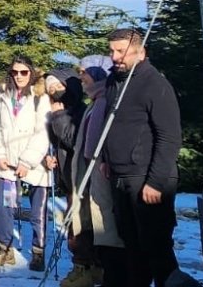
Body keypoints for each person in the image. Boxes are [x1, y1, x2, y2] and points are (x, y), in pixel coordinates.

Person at [101, 28, 181, 287]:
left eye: (121, 51)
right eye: (112, 51)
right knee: (132, 244)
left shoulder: (155, 84)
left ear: (141, 51)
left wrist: (156, 182)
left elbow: (169, 136)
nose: (115, 57)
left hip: (147, 177)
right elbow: (110, 122)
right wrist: (105, 158)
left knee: (155, 246)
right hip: (120, 175)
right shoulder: (115, 81)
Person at [0, 54, 52, 271]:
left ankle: (38, 252)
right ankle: (5, 249)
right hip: (8, 164)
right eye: (15, 72)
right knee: (6, 208)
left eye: (24, 72)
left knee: (37, 211)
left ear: (31, 72)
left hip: (35, 166)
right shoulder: (3, 96)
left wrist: (27, 161)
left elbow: (43, 132)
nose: (19, 76)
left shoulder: (39, 98)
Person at [67, 64, 123, 287]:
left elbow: (97, 142)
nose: (82, 82)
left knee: (105, 226)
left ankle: (107, 272)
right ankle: (96, 269)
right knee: (91, 224)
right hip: (87, 173)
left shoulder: (103, 102)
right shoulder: (94, 103)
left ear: (98, 78)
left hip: (99, 174)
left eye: (86, 77)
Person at [43, 68, 89, 280]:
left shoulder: (80, 112)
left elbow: (73, 139)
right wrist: (51, 156)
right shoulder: (60, 112)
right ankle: (82, 266)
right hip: (69, 178)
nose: (54, 91)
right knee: (74, 225)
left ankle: (85, 268)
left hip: (83, 180)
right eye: (50, 88)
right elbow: (59, 142)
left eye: (58, 86)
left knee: (80, 227)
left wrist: (58, 116)